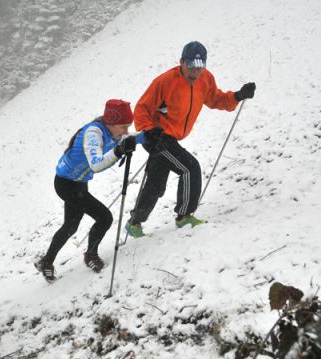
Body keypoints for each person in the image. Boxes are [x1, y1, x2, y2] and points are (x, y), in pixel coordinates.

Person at [124, 41, 256, 237]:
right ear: (181, 62)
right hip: (157, 136)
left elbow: (215, 99)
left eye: (199, 67)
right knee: (189, 168)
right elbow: (142, 109)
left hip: (171, 136)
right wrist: (149, 132)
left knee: (156, 182)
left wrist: (237, 96)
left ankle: (135, 223)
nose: (195, 72)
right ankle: (184, 216)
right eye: (191, 67)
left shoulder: (206, 79)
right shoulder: (165, 81)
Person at [35, 99, 141, 281]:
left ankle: (46, 261)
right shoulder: (93, 133)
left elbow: (127, 138)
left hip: (78, 182)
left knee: (70, 226)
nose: (126, 131)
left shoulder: (110, 131)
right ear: (110, 122)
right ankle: (91, 255)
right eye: (123, 126)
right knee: (104, 217)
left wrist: (151, 134)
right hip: (66, 184)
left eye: (127, 127)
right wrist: (118, 151)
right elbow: (97, 164)